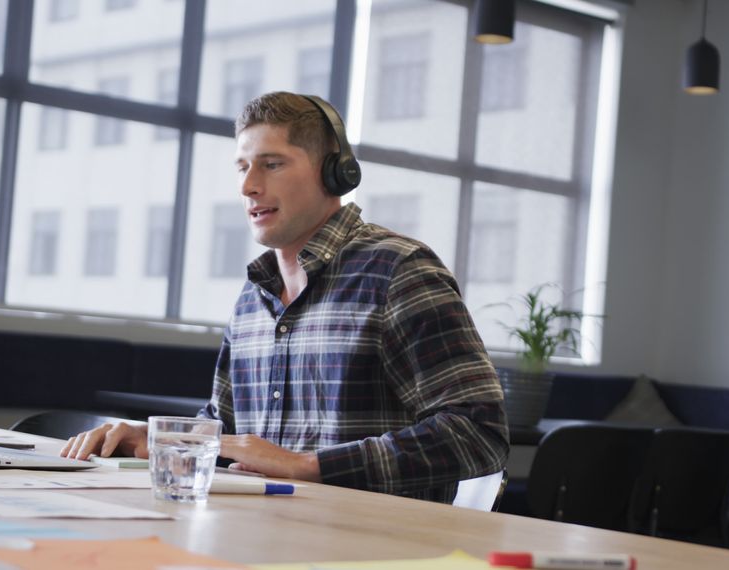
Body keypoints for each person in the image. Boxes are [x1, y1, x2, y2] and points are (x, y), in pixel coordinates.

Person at [61, 92, 509, 503]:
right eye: (242, 167)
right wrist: (156, 438)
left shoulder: (397, 270)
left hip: (370, 546)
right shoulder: (254, 296)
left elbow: (479, 433)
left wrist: (310, 466)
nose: (248, 186)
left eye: (271, 164)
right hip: (258, 535)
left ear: (334, 173)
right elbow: (227, 432)